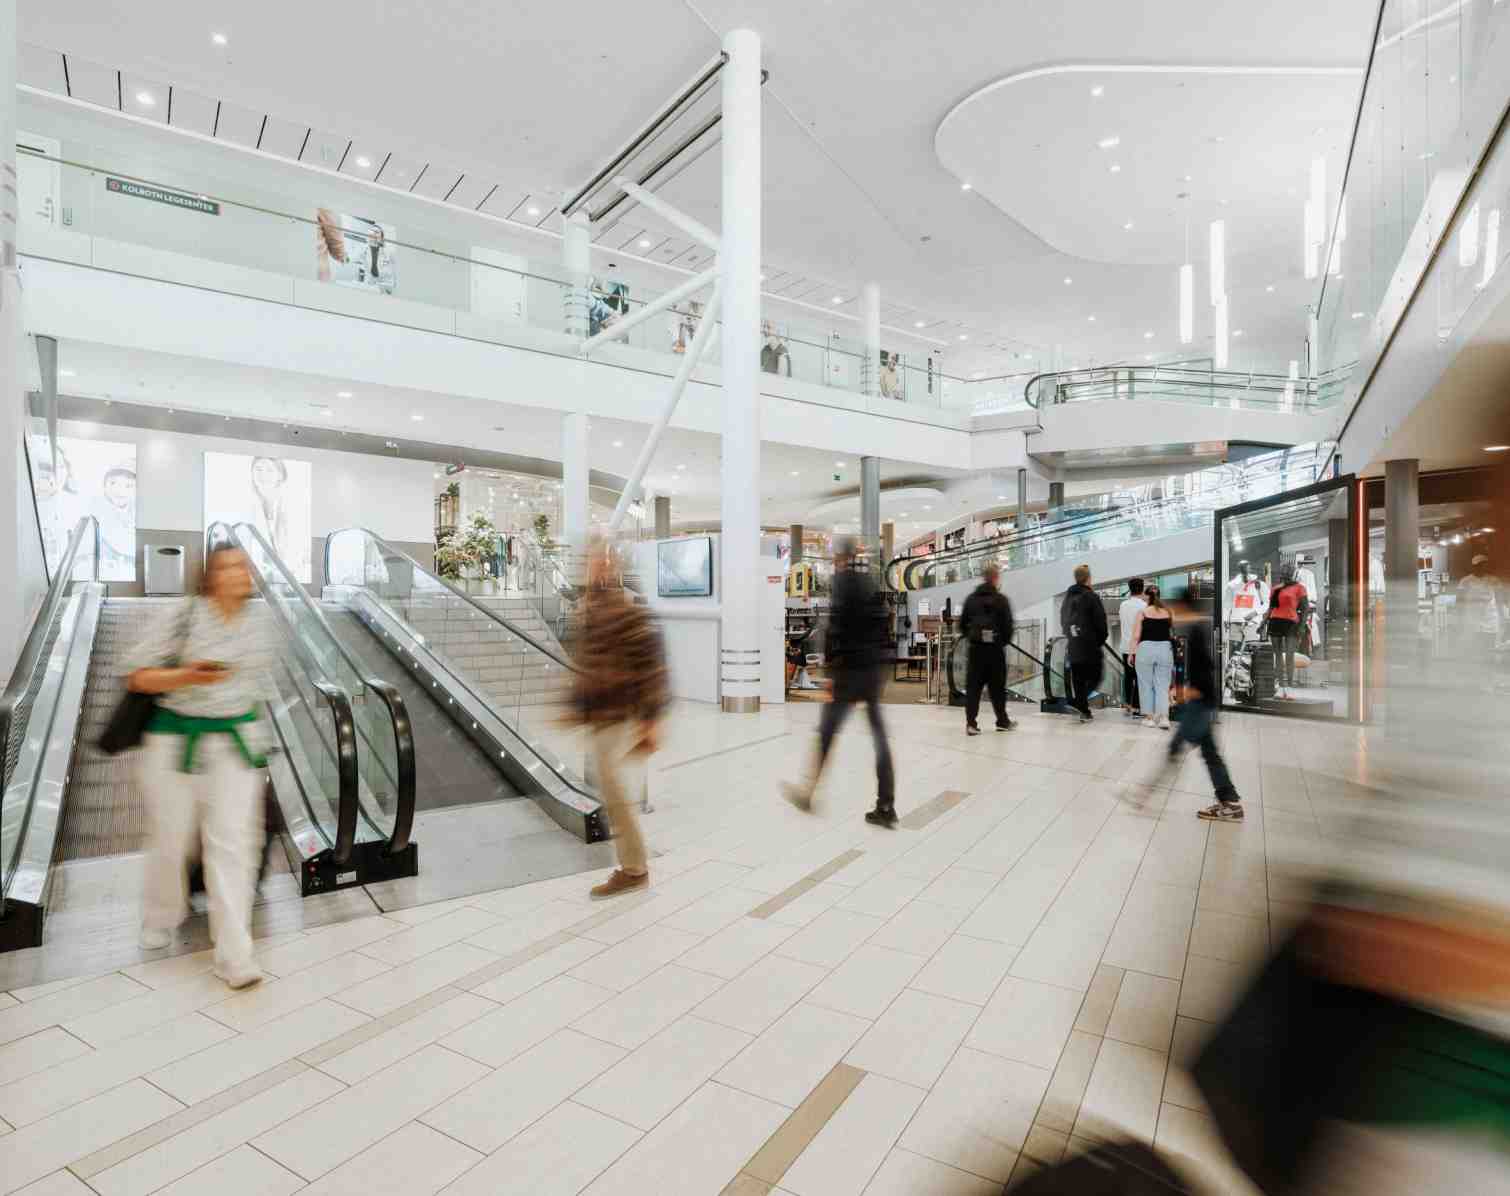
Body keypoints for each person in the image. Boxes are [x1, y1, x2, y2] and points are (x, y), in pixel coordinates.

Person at [126, 544, 274, 988]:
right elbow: (138, 675)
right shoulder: (184, 614)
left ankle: (234, 953)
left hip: (236, 743)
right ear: (209, 575)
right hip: (174, 741)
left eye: (243, 567)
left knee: (233, 843)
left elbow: (259, 684)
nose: (237, 575)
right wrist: (188, 675)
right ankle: (161, 913)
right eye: (228, 567)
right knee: (172, 840)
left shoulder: (261, 621)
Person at [568, 542, 669, 899]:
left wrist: (650, 719)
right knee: (612, 790)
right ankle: (633, 867)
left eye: (602, 560)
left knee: (613, 791)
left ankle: (634, 869)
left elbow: (652, 664)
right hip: (598, 712)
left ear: (613, 566)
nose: (597, 566)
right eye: (592, 560)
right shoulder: (587, 607)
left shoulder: (626, 607)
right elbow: (587, 661)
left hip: (619, 711)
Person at [783, 538, 899, 827]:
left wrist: (830, 671)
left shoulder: (841, 583)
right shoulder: (870, 582)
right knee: (879, 737)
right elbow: (884, 622)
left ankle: (807, 792)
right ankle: (886, 805)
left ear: (838, 557)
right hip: (871, 670)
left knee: (826, 731)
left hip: (848, 672)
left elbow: (834, 629)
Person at [1164, 592, 1242, 819]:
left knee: (1178, 748)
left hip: (1201, 702)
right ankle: (1229, 800)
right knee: (1209, 752)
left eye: (1175, 611)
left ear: (1182, 608)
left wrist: (1187, 692)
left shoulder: (1197, 631)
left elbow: (1203, 671)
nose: (1174, 617)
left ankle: (1147, 794)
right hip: (1203, 700)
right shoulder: (1199, 628)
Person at [960, 560, 1015, 736]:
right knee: (997, 688)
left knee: (973, 688)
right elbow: (1008, 627)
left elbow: (961, 625)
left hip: (975, 650)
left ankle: (971, 724)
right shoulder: (1001, 600)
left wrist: (971, 637)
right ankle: (1002, 721)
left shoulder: (971, 599)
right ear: (995, 578)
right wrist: (1001, 642)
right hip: (995, 651)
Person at [1060, 562, 1108, 723]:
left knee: (1078, 678)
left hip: (1073, 645)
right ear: (1088, 579)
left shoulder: (1068, 596)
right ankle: (1079, 703)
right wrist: (1099, 640)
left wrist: (1070, 636)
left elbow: (1063, 619)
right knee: (1097, 676)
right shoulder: (1091, 596)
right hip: (1090, 646)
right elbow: (1101, 622)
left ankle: (1084, 710)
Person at [1131, 584, 1175, 729]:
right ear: (1159, 595)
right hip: (1165, 649)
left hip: (1145, 649)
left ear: (1146, 596)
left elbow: (1136, 635)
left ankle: (1149, 718)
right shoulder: (1169, 612)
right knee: (1162, 685)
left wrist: (1132, 653)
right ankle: (1163, 718)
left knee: (1145, 684)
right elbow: (1171, 634)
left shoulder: (1142, 612)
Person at [1265, 568, 1310, 697]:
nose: (1286, 574)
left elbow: (1305, 609)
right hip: (1275, 622)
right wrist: (1263, 623)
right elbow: (1271, 608)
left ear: (1293, 574)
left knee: (1290, 655)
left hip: (1291, 623)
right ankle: (1280, 686)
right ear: (1282, 573)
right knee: (1278, 655)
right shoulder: (1276, 588)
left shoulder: (1299, 588)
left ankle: (1289, 686)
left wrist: (1302, 627)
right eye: (1284, 571)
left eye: (1289, 572)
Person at [1117, 577, 1147, 718]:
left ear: (1130, 589)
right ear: (1142, 589)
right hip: (1139, 647)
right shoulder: (1144, 606)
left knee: (1128, 677)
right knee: (1140, 677)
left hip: (1125, 647)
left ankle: (1128, 706)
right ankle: (1137, 706)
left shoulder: (1123, 605)